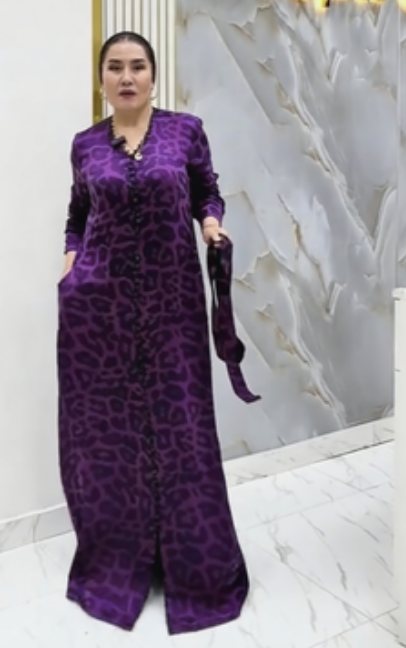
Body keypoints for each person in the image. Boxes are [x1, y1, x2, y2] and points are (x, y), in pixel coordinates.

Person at [57, 31, 255, 635]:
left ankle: (196, 567)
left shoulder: (185, 132)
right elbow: (78, 215)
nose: (127, 76)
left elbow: (206, 191)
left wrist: (211, 225)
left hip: (174, 308)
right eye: (115, 67)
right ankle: (122, 562)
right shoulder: (85, 144)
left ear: (152, 75)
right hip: (102, 313)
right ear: (102, 80)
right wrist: (69, 264)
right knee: (110, 437)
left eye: (137, 66)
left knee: (184, 429)